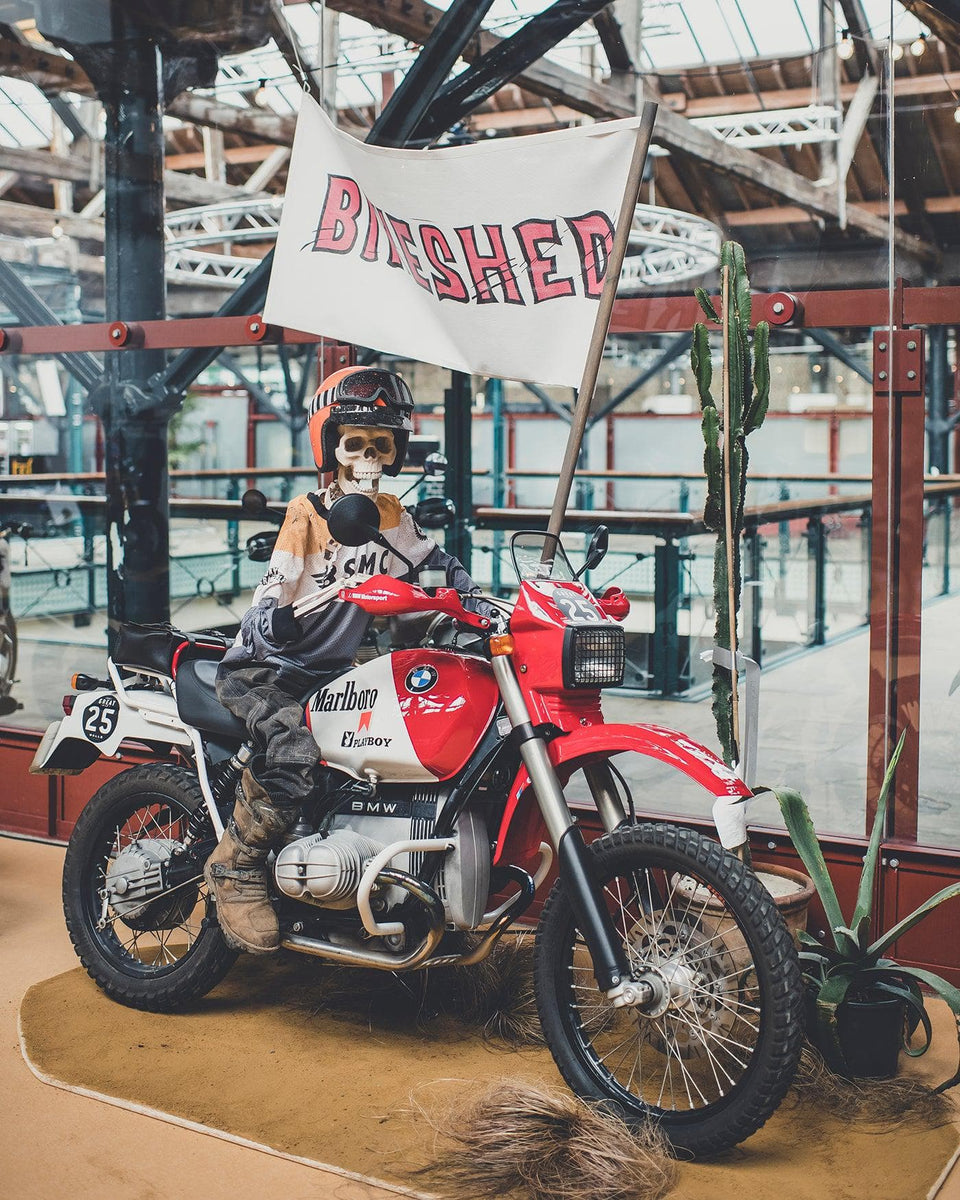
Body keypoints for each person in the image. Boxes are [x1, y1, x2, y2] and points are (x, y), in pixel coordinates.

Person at [204, 366, 484, 955]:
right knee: (291, 748)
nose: (369, 457)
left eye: (382, 443)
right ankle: (236, 867)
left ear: (398, 450)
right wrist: (275, 618)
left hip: (332, 671)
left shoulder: (391, 517)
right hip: (269, 667)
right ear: (330, 446)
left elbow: (435, 567)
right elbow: (272, 588)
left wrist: (480, 602)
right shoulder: (308, 512)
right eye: (355, 443)